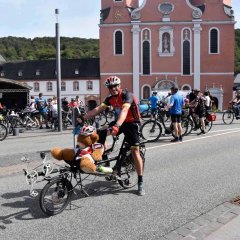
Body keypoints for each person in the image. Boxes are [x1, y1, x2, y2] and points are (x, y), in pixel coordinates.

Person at [78, 76, 145, 196]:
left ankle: (140, 182)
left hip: (132, 123)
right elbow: (98, 109)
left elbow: (124, 111)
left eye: (115, 86)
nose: (113, 88)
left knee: (134, 151)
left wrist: (117, 126)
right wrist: (83, 117)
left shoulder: (127, 95)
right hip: (120, 122)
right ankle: (104, 162)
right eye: (110, 87)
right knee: (99, 134)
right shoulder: (110, 98)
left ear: (119, 86)